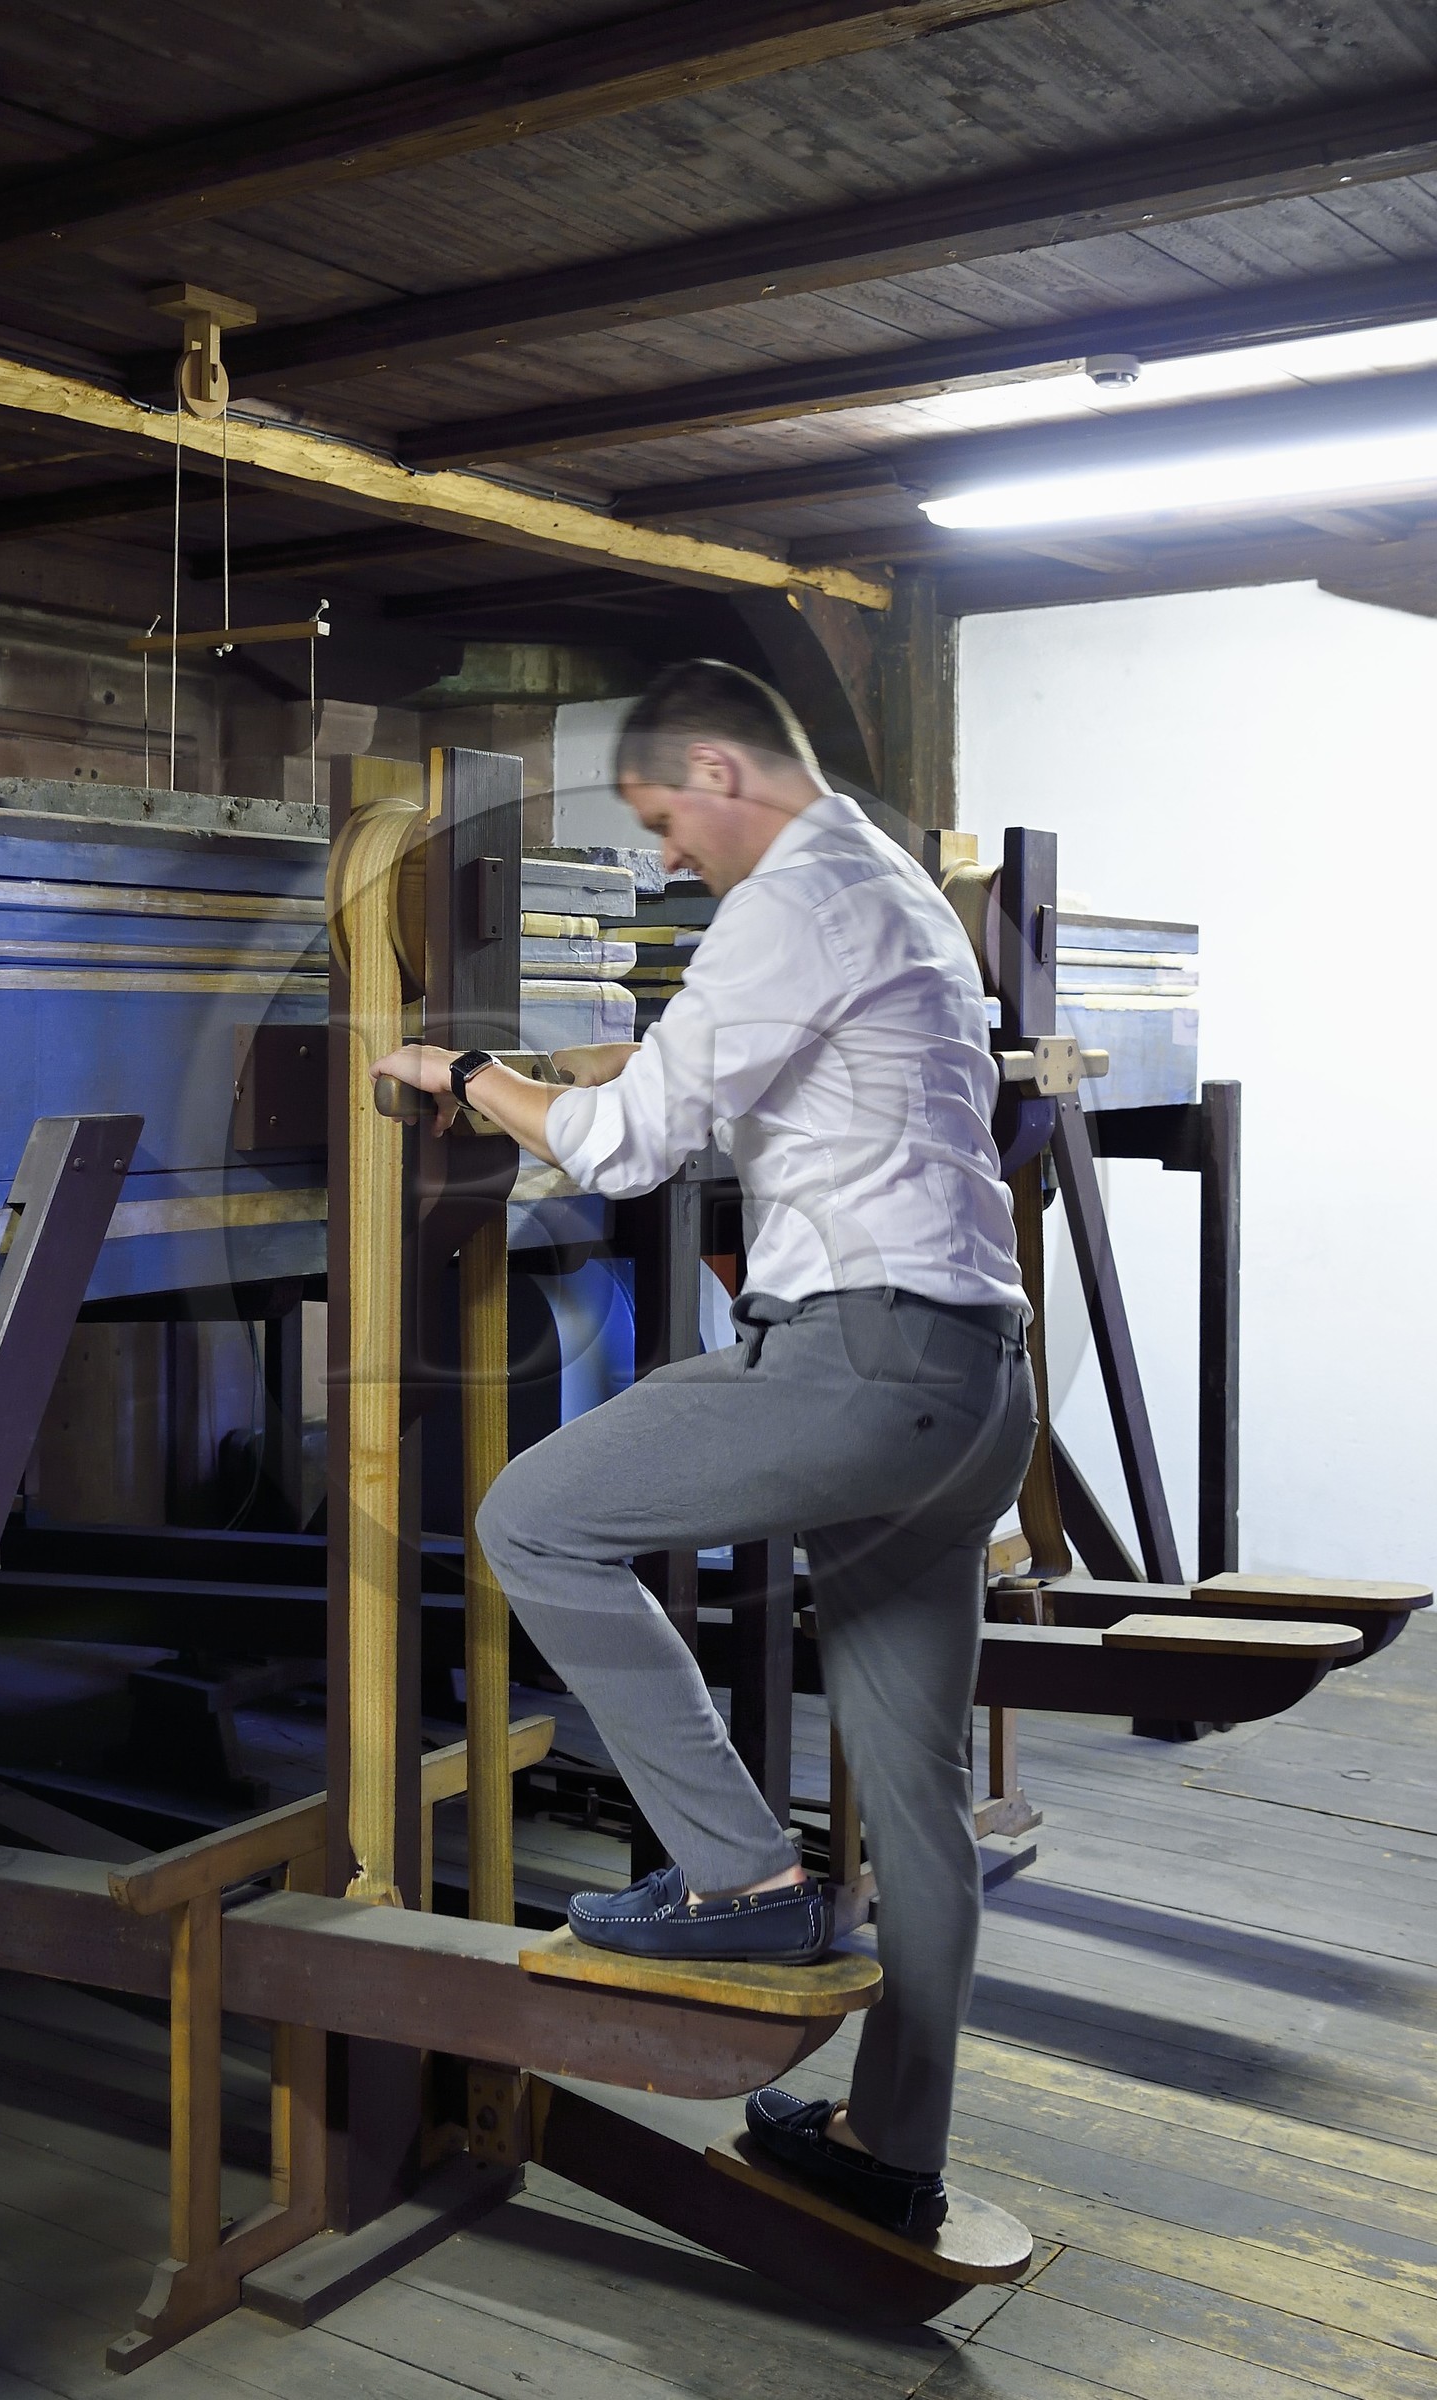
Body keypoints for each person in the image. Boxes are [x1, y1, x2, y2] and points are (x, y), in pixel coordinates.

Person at [372, 658, 1035, 2237]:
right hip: (975, 1391)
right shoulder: (888, 885)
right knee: (920, 1804)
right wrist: (573, 1070)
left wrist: (471, 1078)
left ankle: (742, 1882)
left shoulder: (789, 902)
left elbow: (630, 1148)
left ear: (725, 771)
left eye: (669, 820)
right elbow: (703, 1080)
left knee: (533, 1520)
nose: (668, 856)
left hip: (858, 1366)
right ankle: (896, 2153)